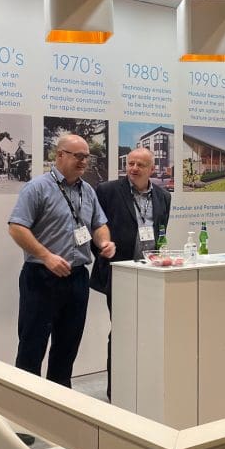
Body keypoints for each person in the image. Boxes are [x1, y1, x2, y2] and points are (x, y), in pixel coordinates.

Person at [8, 133, 116, 388]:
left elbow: (99, 224)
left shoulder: (87, 191)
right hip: (42, 277)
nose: (83, 162)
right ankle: (24, 404)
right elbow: (16, 227)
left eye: (86, 157)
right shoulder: (37, 187)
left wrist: (104, 242)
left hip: (77, 278)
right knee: (32, 346)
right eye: (78, 156)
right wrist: (46, 256)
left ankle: (59, 404)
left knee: (67, 347)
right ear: (59, 155)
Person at [91, 146, 171, 399]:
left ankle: (143, 386)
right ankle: (117, 390)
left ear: (152, 169)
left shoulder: (163, 196)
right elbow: (95, 228)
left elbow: (161, 232)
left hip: (150, 274)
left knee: (148, 331)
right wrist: (104, 254)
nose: (134, 168)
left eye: (140, 165)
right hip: (120, 273)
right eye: (131, 164)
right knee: (122, 330)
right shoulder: (107, 191)